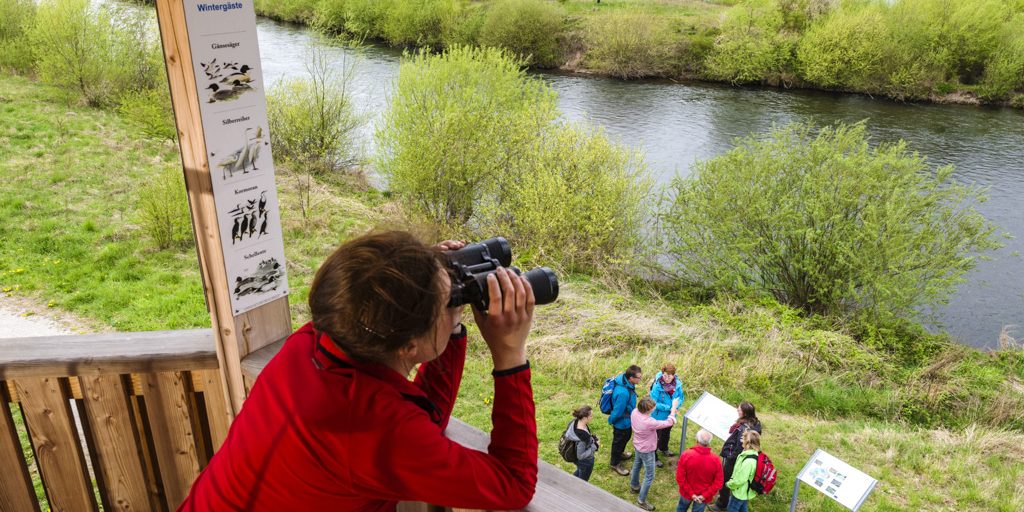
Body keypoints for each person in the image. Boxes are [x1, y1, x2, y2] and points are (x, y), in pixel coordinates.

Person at [177, 231, 539, 511]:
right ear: (408, 346)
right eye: (450, 303)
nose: (455, 303)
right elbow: (513, 483)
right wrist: (509, 353)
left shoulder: (311, 343)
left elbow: (421, 424)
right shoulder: (374, 429)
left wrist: (424, 291)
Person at [710, 401, 762, 512]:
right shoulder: (756, 424)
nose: (737, 410)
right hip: (750, 456)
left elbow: (739, 448)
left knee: (725, 480)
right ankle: (741, 501)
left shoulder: (743, 428)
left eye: (739, 409)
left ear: (744, 413)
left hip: (737, 458)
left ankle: (722, 504)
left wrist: (729, 457)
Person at [629, 397, 677, 511]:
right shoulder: (649, 422)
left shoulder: (635, 412)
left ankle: (634, 486)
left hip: (638, 444)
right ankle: (641, 501)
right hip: (647, 449)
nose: (654, 409)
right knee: (650, 475)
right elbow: (668, 422)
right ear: (647, 410)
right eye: (653, 409)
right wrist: (673, 408)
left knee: (637, 465)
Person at [675, 429, 723, 512]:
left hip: (686, 493)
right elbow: (719, 482)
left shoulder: (686, 454)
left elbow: (680, 477)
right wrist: (705, 495)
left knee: (681, 509)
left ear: (697, 439)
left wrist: (691, 494)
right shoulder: (716, 460)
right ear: (709, 442)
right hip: (703, 497)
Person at [609, 364, 643, 476]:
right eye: (638, 377)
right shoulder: (623, 392)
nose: (640, 379)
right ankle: (615, 463)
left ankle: (621, 454)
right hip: (621, 423)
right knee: (618, 442)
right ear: (631, 378)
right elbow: (618, 411)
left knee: (626, 438)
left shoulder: (628, 384)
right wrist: (611, 420)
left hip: (627, 420)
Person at [651, 363, 684, 466]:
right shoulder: (657, 386)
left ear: (673, 375)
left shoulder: (678, 385)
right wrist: (670, 408)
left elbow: (681, 397)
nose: (666, 378)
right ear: (662, 374)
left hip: (671, 415)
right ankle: (653, 456)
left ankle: (663, 448)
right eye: (665, 375)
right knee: (656, 436)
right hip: (658, 416)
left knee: (666, 432)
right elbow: (653, 402)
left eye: (669, 376)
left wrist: (676, 406)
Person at [724, 430, 761, 512]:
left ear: (748, 443)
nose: (741, 441)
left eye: (743, 439)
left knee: (731, 509)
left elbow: (740, 480)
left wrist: (729, 484)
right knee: (743, 509)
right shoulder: (753, 454)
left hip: (739, 492)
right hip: (745, 491)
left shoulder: (748, 461)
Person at [564, 405, 599, 481]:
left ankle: (571, 482)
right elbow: (580, 456)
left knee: (580, 472)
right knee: (582, 482)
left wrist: (592, 438)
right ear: (584, 418)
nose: (592, 417)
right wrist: (595, 445)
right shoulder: (582, 438)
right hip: (585, 462)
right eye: (591, 416)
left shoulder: (575, 421)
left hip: (579, 461)